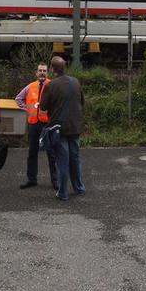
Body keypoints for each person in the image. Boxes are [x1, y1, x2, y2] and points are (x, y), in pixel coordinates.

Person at [39, 56, 86, 201]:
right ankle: (79, 188)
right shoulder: (75, 82)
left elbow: (43, 107)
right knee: (75, 158)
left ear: (52, 69)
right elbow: (82, 102)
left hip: (59, 128)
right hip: (75, 127)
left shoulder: (50, 86)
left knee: (62, 161)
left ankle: (63, 192)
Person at [16, 63, 57, 190]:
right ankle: (31, 179)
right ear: (36, 73)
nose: (42, 73)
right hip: (33, 124)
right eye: (40, 70)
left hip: (47, 124)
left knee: (51, 153)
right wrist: (28, 109)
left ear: (47, 73)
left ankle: (55, 180)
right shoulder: (30, 86)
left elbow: (58, 102)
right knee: (32, 152)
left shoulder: (52, 86)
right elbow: (18, 99)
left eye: (44, 70)